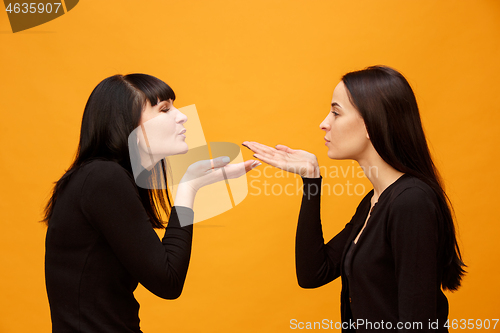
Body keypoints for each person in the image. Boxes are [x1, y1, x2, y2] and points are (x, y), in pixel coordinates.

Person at [243, 65, 466, 332]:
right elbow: (313, 273)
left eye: (336, 113)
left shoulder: (411, 202)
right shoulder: (374, 201)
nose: (324, 123)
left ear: (373, 123)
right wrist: (311, 180)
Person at [41, 73, 260, 332]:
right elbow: (168, 282)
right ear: (127, 122)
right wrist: (189, 188)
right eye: (164, 109)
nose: (182, 116)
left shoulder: (105, 177)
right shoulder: (103, 178)